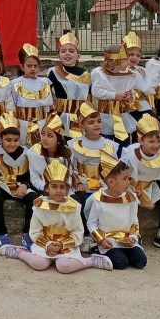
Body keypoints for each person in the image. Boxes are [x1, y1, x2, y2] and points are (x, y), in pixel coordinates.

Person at [0, 161, 113, 272]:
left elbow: (78, 233)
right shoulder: (40, 206)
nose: (58, 190)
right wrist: (48, 244)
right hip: (44, 243)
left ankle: (91, 261)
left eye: (62, 187)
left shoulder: (73, 207)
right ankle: (20, 253)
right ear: (47, 188)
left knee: (64, 266)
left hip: (67, 244)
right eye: (54, 186)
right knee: (39, 264)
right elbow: (35, 232)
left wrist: (62, 244)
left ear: (67, 189)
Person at [123, 113, 160, 253]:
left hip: (149, 186)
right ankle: (132, 234)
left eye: (158, 141)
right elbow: (121, 173)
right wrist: (126, 189)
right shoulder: (130, 153)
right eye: (151, 141)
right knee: (129, 203)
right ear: (141, 140)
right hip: (130, 187)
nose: (156, 145)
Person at [68, 103, 118, 250]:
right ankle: (86, 235)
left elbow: (113, 169)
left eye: (98, 121)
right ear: (82, 126)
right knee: (83, 202)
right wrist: (77, 183)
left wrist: (109, 184)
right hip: (82, 183)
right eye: (91, 122)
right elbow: (72, 167)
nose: (96, 125)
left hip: (103, 183)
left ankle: (106, 234)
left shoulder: (110, 145)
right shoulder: (74, 144)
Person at [84, 156, 146, 270]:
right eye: (125, 179)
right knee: (120, 263)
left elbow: (134, 221)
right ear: (111, 182)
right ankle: (96, 249)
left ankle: (124, 252)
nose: (129, 182)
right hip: (109, 241)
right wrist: (101, 240)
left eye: (129, 178)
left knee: (141, 261)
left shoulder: (131, 198)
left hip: (126, 240)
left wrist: (133, 237)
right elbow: (91, 223)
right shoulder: (99, 199)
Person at [0, 114, 37, 248]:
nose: (12, 144)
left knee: (34, 199)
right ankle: (2, 233)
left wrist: (25, 185)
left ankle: (27, 233)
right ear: (0, 138)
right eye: (8, 140)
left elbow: (29, 175)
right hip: (1, 186)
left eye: (16, 140)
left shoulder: (26, 152)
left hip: (20, 186)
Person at [90, 43, 139, 144]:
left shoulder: (131, 75)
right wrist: (115, 95)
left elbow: (134, 91)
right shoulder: (98, 73)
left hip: (122, 115)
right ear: (116, 62)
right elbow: (96, 91)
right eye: (126, 59)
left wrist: (130, 96)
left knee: (123, 144)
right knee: (106, 144)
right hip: (105, 115)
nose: (128, 61)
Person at [48, 31, 91, 139]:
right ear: (59, 56)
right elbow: (47, 94)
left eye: (71, 51)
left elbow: (89, 96)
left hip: (80, 115)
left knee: (78, 143)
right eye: (63, 51)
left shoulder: (85, 74)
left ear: (78, 55)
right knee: (62, 142)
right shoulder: (53, 71)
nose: (67, 53)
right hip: (60, 114)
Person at [11, 43, 53, 145]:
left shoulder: (45, 82)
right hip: (23, 123)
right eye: (29, 66)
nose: (33, 68)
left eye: (35, 66)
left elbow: (48, 107)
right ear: (22, 67)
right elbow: (13, 105)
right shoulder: (15, 83)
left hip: (41, 123)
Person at [123, 32, 156, 122]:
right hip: (126, 107)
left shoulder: (143, 71)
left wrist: (152, 106)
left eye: (138, 55)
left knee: (152, 122)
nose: (135, 58)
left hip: (143, 105)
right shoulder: (119, 71)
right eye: (131, 54)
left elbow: (149, 89)